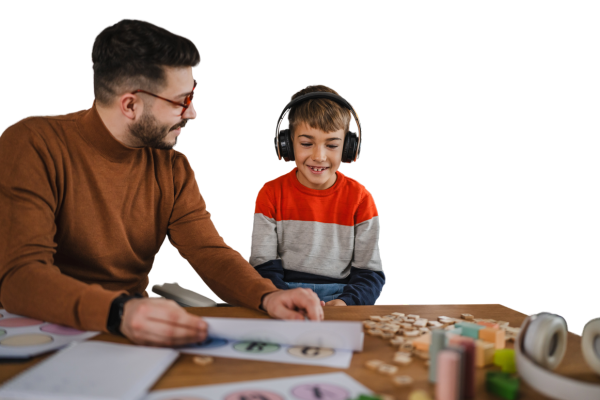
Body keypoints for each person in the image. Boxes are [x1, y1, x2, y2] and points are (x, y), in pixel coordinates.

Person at [0, 18, 323, 348]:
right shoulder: (32, 143)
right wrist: (120, 312)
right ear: (131, 105)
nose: (193, 112)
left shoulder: (172, 167)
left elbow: (209, 253)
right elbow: (19, 278)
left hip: (133, 329)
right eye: (181, 101)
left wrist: (267, 296)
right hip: (44, 331)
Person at [248, 84, 386, 306]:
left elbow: (370, 273)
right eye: (306, 143)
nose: (319, 156)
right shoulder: (271, 192)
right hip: (282, 294)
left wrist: (345, 303)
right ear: (287, 145)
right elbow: (262, 266)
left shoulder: (361, 198)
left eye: (332, 145)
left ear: (350, 148)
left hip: (342, 298)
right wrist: (283, 297)